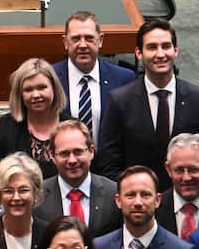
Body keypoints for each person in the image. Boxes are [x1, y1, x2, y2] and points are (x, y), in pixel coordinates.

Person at [98, 19, 199, 186]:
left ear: (176, 51)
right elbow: (109, 164)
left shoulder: (198, 99)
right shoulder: (120, 101)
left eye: (166, 46)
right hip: (138, 204)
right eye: (152, 47)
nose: (160, 54)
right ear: (139, 53)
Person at [50, 11, 135, 148]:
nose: (82, 45)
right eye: (76, 39)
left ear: (100, 40)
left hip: (109, 166)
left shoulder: (123, 79)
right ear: (65, 42)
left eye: (89, 38)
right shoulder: (50, 77)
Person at [0, 58, 69, 179]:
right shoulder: (5, 128)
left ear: (54, 88)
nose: (36, 95)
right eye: (28, 90)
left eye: (42, 87)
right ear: (19, 94)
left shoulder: (72, 128)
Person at [33, 120, 121, 238]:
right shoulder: (37, 197)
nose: (72, 160)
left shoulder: (113, 193)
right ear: (52, 156)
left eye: (78, 152)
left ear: (91, 151)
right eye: (64, 153)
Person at [157, 133, 199, 241]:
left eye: (193, 169)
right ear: (168, 169)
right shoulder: (155, 209)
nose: (186, 177)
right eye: (179, 170)